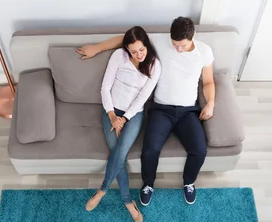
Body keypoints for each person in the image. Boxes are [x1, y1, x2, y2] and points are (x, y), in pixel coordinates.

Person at [77, 17, 215, 206]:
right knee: (149, 151)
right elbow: (125, 40)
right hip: (161, 110)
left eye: (182, 46)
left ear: (193, 37)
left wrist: (211, 103)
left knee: (199, 150)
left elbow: (208, 82)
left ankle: (189, 182)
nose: (178, 49)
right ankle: (148, 184)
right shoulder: (156, 42)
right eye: (175, 44)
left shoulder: (204, 52)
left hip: (188, 111)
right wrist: (97, 48)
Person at [83, 26, 161, 222]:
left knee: (121, 150)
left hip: (133, 115)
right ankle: (128, 202)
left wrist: (124, 119)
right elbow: (105, 87)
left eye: (141, 49)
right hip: (110, 111)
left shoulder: (155, 65)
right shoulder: (119, 56)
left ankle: (102, 191)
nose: (138, 54)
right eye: (133, 51)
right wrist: (111, 115)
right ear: (127, 49)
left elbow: (143, 97)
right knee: (119, 153)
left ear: (147, 45)